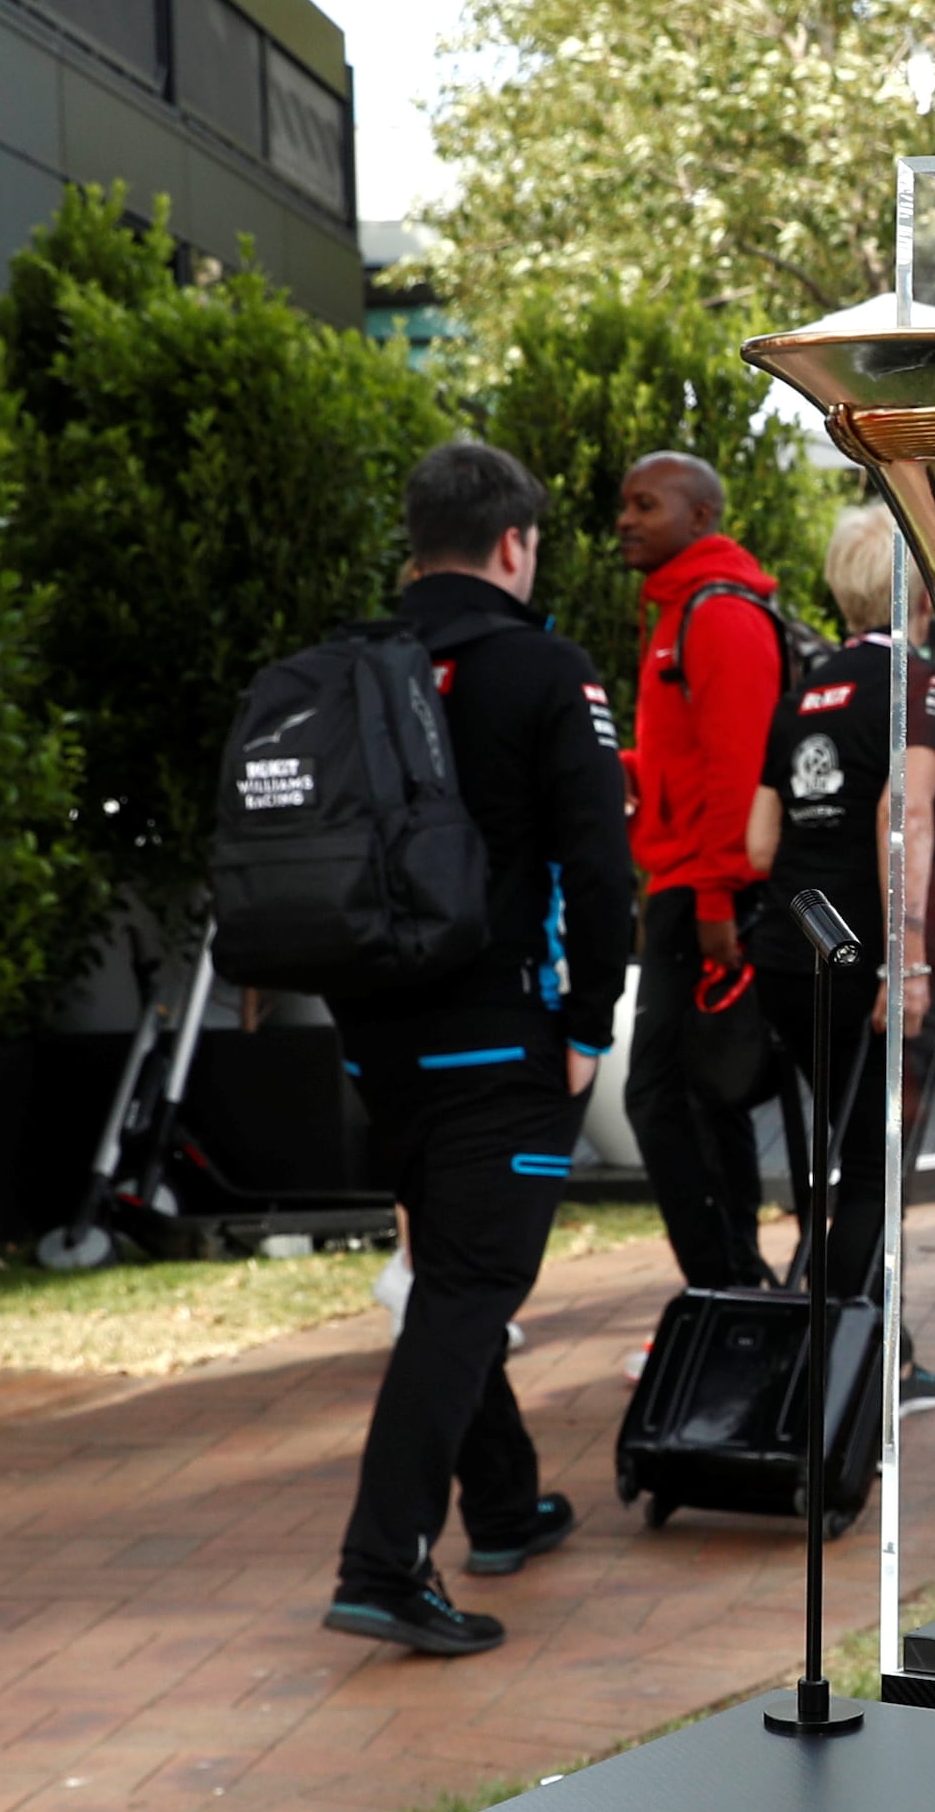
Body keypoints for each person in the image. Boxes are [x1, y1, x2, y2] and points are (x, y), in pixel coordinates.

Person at [316, 441, 637, 1657]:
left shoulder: (353, 667)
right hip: (501, 1038)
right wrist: (587, 1024)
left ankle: (503, 1502)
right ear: (515, 545)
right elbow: (599, 866)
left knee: (453, 1269)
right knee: (469, 1290)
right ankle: (380, 1564)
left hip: (373, 1043)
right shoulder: (544, 671)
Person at [745, 502, 935, 1402]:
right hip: (871, 965)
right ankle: (832, 1379)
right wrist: (905, 960)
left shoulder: (803, 692)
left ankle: (886, 1347)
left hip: (791, 955)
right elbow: (899, 812)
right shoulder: (919, 683)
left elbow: (759, 846)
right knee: (874, 1165)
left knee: (841, 1151)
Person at [614, 450, 792, 1288]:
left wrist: (719, 897)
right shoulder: (679, 610)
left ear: (699, 518)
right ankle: (735, 1284)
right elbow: (690, 764)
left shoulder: (717, 614)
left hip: (704, 894)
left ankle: (721, 1285)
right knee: (695, 1096)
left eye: (645, 504)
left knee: (661, 1098)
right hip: (683, 886)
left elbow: (737, 769)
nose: (625, 519)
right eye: (625, 504)